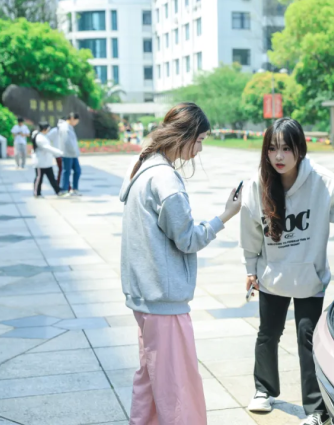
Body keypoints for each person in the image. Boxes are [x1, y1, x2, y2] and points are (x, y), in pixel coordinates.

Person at [240, 118, 334, 425]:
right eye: (272, 149)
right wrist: (250, 268)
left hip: (309, 277)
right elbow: (250, 231)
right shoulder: (257, 185)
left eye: (286, 148)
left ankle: (316, 410)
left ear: (300, 149)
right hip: (272, 275)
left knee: (307, 337)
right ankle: (263, 390)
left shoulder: (323, 182)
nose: (279, 156)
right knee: (268, 333)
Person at [119, 102, 242, 425]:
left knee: (150, 378)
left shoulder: (143, 166)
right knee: (177, 387)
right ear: (184, 136)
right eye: (199, 140)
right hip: (164, 299)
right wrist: (225, 215)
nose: (200, 149)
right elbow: (188, 239)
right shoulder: (166, 180)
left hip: (145, 296)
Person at [31, 122, 63, 198]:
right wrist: (59, 152)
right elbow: (47, 147)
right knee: (39, 178)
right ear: (44, 129)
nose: (49, 130)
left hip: (47, 163)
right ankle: (37, 193)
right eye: (48, 129)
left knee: (52, 178)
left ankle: (58, 191)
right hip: (40, 163)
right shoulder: (39, 137)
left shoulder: (43, 136)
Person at [58, 113, 81, 197]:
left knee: (77, 171)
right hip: (67, 153)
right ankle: (64, 190)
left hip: (73, 154)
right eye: (76, 121)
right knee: (66, 171)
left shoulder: (69, 127)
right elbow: (67, 142)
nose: (76, 123)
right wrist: (74, 151)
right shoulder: (65, 127)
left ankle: (74, 189)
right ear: (71, 118)